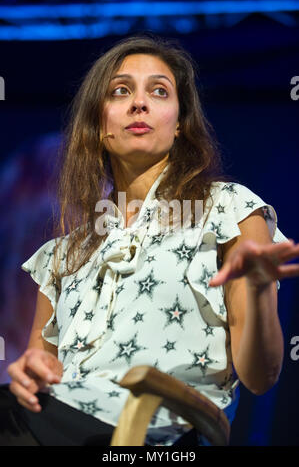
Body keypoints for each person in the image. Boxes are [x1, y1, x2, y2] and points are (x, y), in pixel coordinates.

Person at [1, 34, 299, 447]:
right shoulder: (59, 257)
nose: (139, 103)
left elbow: (260, 377)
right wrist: (26, 374)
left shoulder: (229, 208)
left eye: (159, 91)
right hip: (55, 422)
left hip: (160, 433)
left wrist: (259, 287)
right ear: (97, 123)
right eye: (121, 91)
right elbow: (39, 376)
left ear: (179, 123)